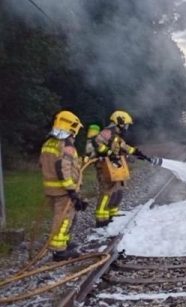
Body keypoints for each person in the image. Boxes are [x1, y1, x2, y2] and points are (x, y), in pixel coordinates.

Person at [93, 110, 159, 226]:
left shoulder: (117, 137)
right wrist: (109, 153)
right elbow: (97, 143)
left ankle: (111, 214)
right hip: (104, 166)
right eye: (126, 124)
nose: (127, 128)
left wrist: (141, 155)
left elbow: (127, 148)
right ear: (120, 122)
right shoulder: (108, 132)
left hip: (112, 166)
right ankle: (101, 219)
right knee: (106, 192)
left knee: (116, 190)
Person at [39, 110, 88, 261]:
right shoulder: (66, 146)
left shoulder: (48, 143)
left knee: (63, 217)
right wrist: (72, 191)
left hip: (52, 189)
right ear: (71, 127)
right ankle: (59, 251)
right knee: (64, 219)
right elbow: (63, 169)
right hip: (64, 191)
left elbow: (41, 164)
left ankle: (65, 243)